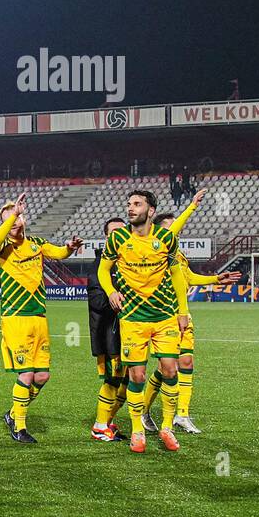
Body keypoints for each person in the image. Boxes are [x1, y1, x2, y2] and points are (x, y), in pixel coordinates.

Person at [98, 189, 196, 454]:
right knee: (136, 375)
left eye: (137, 204)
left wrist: (182, 312)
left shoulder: (165, 238)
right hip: (132, 319)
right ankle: (137, 431)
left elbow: (177, 274)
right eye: (129, 203)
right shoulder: (117, 238)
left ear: (150, 210)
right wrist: (110, 291)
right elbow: (103, 270)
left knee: (170, 371)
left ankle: (167, 427)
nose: (131, 208)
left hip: (164, 316)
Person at [138, 199, 241, 435]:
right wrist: (192, 206)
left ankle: (181, 415)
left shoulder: (177, 254)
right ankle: (143, 409)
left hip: (183, 314)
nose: (178, 230)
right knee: (167, 368)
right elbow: (173, 230)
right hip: (165, 316)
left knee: (186, 363)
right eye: (172, 227)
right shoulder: (155, 248)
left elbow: (190, 278)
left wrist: (216, 279)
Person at [0, 194, 83, 444]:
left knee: (42, 377)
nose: (16, 220)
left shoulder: (37, 244)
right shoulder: (2, 249)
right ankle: (19, 427)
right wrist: (11, 217)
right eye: (9, 218)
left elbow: (59, 253)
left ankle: (12, 414)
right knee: (27, 375)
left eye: (19, 216)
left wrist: (70, 248)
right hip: (16, 318)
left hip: (39, 319)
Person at [89, 217, 130, 442]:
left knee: (129, 380)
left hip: (128, 332)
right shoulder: (100, 264)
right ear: (106, 237)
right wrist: (119, 299)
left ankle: (109, 421)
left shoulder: (126, 261)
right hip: (109, 333)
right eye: (113, 233)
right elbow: (96, 300)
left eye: (121, 232)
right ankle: (99, 426)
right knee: (113, 380)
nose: (117, 236)